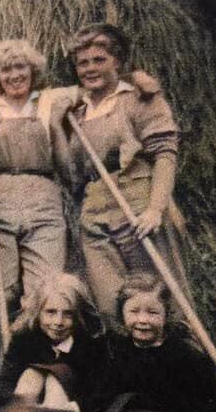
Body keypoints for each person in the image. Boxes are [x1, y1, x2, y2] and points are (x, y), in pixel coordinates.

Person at [0, 40, 75, 369]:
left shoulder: (50, 100)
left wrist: (137, 80)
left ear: (32, 70)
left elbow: (98, 87)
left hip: (43, 201)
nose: (14, 75)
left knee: (48, 293)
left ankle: (45, 372)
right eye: (5, 69)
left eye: (20, 67)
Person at [60, 23, 186, 322]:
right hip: (95, 215)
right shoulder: (78, 109)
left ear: (117, 61)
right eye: (82, 63)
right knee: (111, 306)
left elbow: (165, 154)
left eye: (99, 60)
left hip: (137, 206)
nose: (90, 68)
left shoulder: (139, 98)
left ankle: (178, 365)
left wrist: (156, 209)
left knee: (160, 302)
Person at [93, 272, 216, 412]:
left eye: (152, 312)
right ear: (122, 314)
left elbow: (207, 409)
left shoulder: (185, 356)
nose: (143, 320)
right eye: (134, 311)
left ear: (166, 315)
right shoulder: (118, 352)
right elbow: (106, 394)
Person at [0, 273, 105, 412]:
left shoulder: (90, 343)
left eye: (68, 314)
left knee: (56, 379)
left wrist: (74, 407)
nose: (58, 322)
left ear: (78, 315)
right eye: (51, 312)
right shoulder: (25, 339)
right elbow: (6, 381)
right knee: (31, 375)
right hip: (31, 409)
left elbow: (99, 391)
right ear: (38, 312)